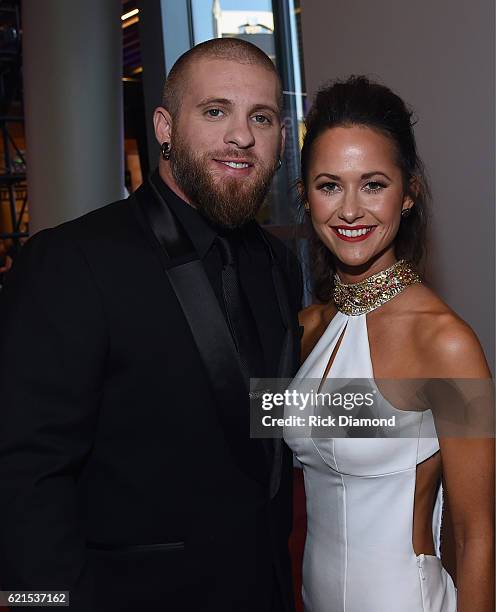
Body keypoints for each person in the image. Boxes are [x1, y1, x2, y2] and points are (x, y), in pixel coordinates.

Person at [0, 38, 303, 612]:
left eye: (260, 117)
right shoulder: (73, 261)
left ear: (281, 139)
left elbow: (264, 413)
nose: (241, 135)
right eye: (215, 111)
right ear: (165, 126)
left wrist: (455, 402)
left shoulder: (276, 263)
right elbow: (22, 475)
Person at [284, 76, 494, 611]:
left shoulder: (447, 344)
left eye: (373, 184)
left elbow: (476, 535)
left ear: (408, 194)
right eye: (329, 185)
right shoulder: (306, 328)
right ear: (305, 197)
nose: (350, 210)